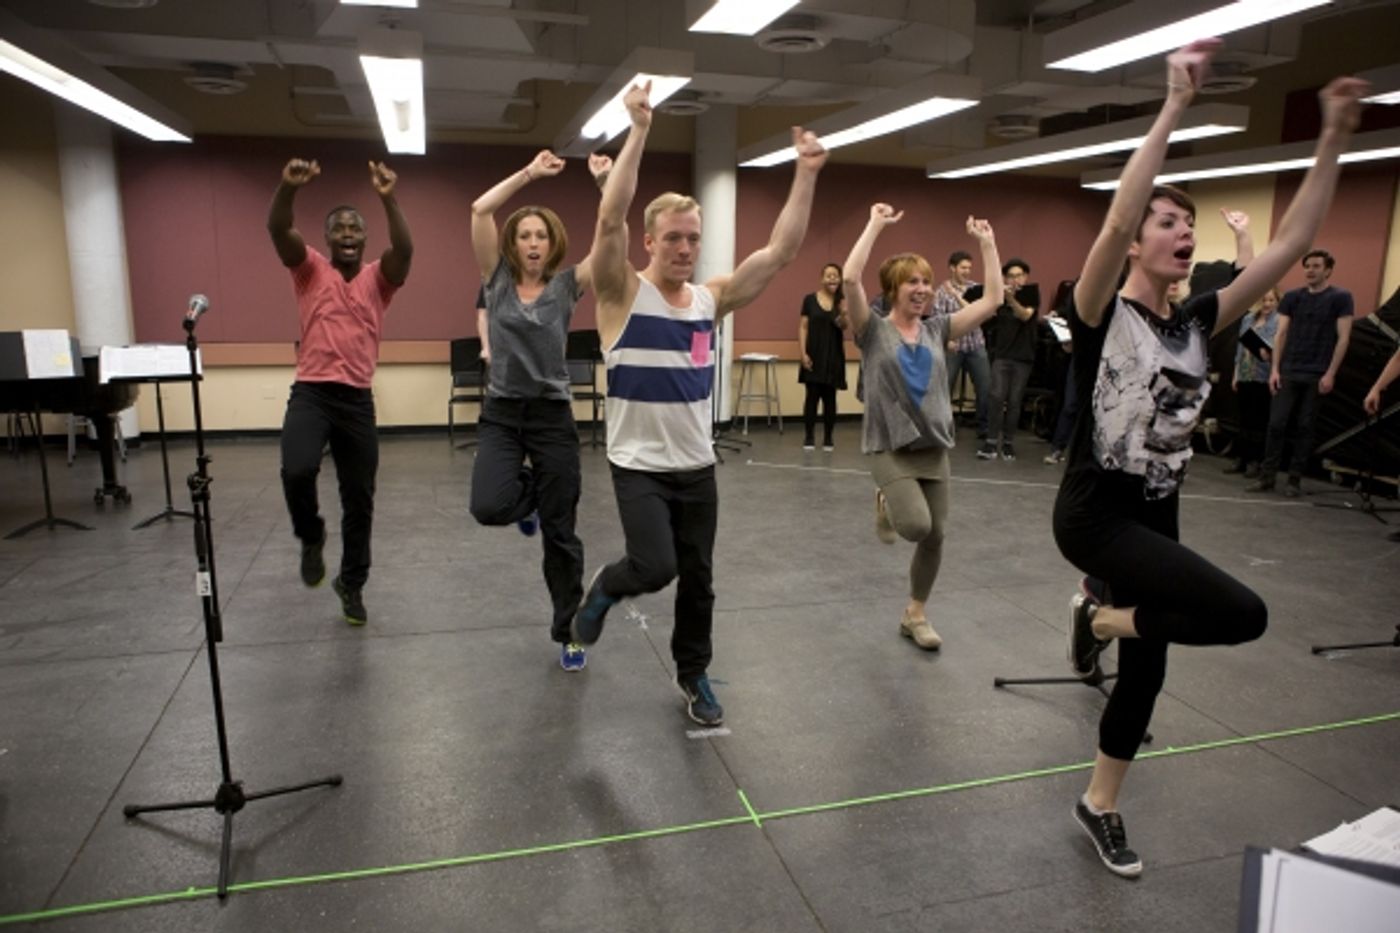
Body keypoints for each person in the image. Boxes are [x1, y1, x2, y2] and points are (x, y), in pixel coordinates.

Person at [1052, 40, 1366, 878]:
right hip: (1095, 513)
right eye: (1168, 221)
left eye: (1189, 223)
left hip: (1158, 509)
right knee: (1243, 612)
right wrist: (1174, 105)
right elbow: (1118, 215)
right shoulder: (1097, 310)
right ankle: (1104, 616)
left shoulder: (1197, 320)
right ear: (1134, 244)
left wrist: (1331, 135)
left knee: (1146, 674)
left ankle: (1099, 802)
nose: (1183, 231)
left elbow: (1296, 235)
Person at [570, 84, 828, 726]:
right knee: (654, 567)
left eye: (693, 238)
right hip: (637, 465)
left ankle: (694, 675)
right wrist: (638, 131)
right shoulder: (619, 294)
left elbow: (782, 253)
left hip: (697, 466)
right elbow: (608, 222)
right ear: (650, 242)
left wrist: (806, 173)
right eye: (673, 239)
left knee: (700, 580)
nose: (685, 248)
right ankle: (606, 586)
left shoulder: (712, 299)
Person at [467, 150, 612, 672]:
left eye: (541, 236)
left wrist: (605, 184)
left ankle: (568, 630)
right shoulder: (496, 279)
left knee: (562, 533)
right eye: (525, 235)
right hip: (503, 415)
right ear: (513, 243)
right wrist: (528, 173)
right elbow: (481, 210)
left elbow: (611, 241)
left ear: (552, 245)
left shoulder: (568, 284)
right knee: (487, 506)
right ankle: (525, 503)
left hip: (553, 417)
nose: (532, 244)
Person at [843, 206, 1003, 650]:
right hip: (889, 445)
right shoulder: (872, 330)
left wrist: (987, 242)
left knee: (936, 536)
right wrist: (874, 224)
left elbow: (992, 301)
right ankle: (886, 499)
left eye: (927, 282)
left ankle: (915, 613)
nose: (922, 289)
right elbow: (851, 280)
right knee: (914, 526)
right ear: (893, 288)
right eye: (912, 281)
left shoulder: (938, 330)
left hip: (933, 446)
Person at [267, 159, 413, 626]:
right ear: (328, 238)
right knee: (297, 469)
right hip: (311, 393)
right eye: (339, 229)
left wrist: (389, 197)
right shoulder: (309, 270)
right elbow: (278, 229)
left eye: (355, 228)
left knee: (359, 500)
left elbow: (405, 249)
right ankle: (310, 535)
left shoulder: (378, 280)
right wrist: (287, 188)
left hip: (355, 401)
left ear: (364, 238)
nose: (348, 233)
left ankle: (351, 584)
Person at [1246, 249, 1354, 497]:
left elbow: (1344, 338)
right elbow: (1280, 334)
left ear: (1327, 270)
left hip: (1317, 373)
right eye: (1307, 266)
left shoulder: (1341, 297)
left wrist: (1331, 373)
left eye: (1316, 266)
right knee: (1276, 425)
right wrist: (1275, 369)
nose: (1310, 270)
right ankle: (1267, 477)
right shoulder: (1293, 297)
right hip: (1289, 370)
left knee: (1305, 427)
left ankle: (1294, 480)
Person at [931, 250, 992, 455]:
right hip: (953, 347)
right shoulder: (940, 292)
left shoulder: (976, 289)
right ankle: (944, 429)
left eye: (969, 267)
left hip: (975, 344)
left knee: (985, 388)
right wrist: (947, 340)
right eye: (963, 267)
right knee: (943, 388)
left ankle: (984, 429)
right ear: (952, 268)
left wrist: (957, 296)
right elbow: (937, 319)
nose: (967, 271)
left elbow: (981, 313)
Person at [984, 258, 1038, 461]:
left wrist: (1012, 299)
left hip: (1023, 357)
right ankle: (990, 442)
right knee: (996, 396)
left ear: (1025, 277)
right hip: (1001, 355)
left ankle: (1008, 443)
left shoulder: (1032, 294)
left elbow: (1025, 315)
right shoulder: (1000, 299)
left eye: (1019, 275)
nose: (1015, 279)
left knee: (1014, 401)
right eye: (1011, 276)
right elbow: (984, 315)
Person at [1227, 288, 1281, 477]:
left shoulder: (1278, 321)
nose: (1267, 304)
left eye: (1271, 300)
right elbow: (1239, 350)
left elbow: (1278, 349)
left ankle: (1254, 461)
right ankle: (1240, 458)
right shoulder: (1247, 320)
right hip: (1244, 373)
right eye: (1264, 300)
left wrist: (1269, 353)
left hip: (1262, 376)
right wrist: (1235, 375)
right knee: (1243, 419)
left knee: (1258, 421)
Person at [798, 263, 849, 450]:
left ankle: (828, 437)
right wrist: (803, 353)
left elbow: (843, 327)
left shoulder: (841, 301)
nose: (833, 279)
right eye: (829, 275)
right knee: (812, 396)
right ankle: (809, 436)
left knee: (830, 398)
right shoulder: (809, 300)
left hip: (834, 355)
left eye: (836, 276)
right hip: (813, 354)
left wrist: (844, 314)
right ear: (822, 278)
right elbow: (803, 327)